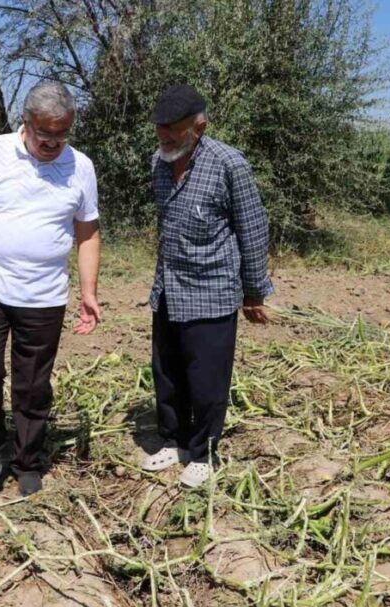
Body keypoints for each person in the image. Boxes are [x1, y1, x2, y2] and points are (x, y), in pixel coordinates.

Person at [0, 81, 102, 497]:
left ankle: (28, 457)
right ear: (26, 123)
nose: (53, 143)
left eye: (61, 134)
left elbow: (87, 232)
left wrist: (88, 291)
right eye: (45, 133)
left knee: (33, 384)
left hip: (44, 295)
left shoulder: (80, 166)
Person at [140, 84, 274, 488]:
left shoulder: (228, 164)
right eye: (160, 130)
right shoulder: (159, 163)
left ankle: (203, 452)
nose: (164, 139)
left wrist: (253, 291)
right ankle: (173, 440)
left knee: (207, 379)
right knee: (167, 372)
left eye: (174, 132)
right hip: (169, 288)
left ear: (199, 128)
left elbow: (251, 229)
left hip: (212, 289)